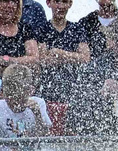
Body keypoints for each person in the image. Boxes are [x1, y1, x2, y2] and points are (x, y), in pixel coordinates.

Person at [33, 0, 89, 130]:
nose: (61, 6)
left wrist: (59, 53)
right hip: (48, 88)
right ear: (48, 3)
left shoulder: (76, 29)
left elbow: (85, 58)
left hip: (74, 88)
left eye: (64, 2)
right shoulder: (43, 29)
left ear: (70, 4)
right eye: (57, 2)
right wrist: (72, 57)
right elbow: (42, 59)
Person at [0, 0, 39, 76]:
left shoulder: (25, 28)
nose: (10, 5)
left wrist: (6, 59)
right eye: (5, 1)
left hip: (22, 80)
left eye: (14, 2)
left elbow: (34, 59)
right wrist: (18, 64)